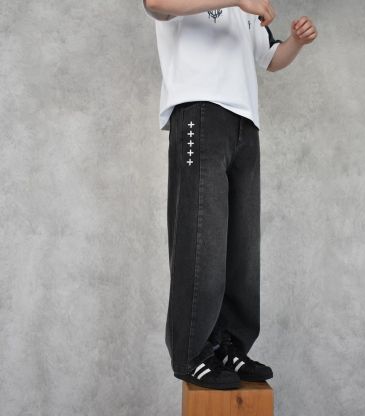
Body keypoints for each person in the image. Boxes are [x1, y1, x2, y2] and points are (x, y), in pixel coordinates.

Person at [142, 0, 317, 390]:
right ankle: (190, 352)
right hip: (200, 112)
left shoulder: (246, 8)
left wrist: (296, 41)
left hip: (245, 124)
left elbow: (270, 58)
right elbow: (155, 4)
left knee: (241, 247)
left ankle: (228, 346)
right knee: (200, 238)